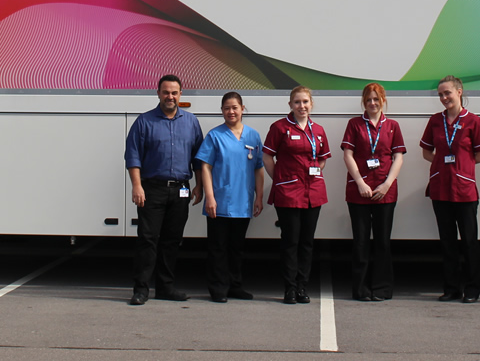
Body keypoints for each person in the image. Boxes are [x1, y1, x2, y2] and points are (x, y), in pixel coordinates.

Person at [124, 74, 204, 306]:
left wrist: (198, 185)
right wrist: (137, 186)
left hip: (180, 190)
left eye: (174, 92)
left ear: (180, 94)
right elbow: (133, 156)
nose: (170, 96)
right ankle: (141, 290)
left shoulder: (191, 122)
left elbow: (198, 158)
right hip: (152, 190)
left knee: (172, 241)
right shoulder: (144, 121)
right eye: (166, 92)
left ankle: (165, 288)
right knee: (147, 240)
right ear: (158, 93)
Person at [420, 75, 480, 303]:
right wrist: (443, 164)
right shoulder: (435, 121)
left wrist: (461, 165)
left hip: (464, 190)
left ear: (459, 92)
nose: (443, 98)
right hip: (441, 189)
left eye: (447, 93)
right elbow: (426, 152)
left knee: (469, 241)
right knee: (447, 242)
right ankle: (451, 288)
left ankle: (473, 289)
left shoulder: (473, 121)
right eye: (440, 94)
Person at [195, 91, 265, 302]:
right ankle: (218, 288)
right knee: (218, 248)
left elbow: (259, 168)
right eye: (226, 108)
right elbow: (205, 167)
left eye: (235, 107)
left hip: (243, 202)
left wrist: (259, 197)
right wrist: (209, 197)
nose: (231, 111)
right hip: (220, 202)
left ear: (242, 109)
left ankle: (235, 286)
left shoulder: (253, 136)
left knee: (237, 248)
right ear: (222, 111)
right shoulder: (215, 136)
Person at [263, 86, 330, 304]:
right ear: (290, 105)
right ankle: (290, 288)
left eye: (305, 102)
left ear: (311, 104)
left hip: (313, 192)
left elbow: (322, 158)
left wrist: (315, 170)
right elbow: (267, 157)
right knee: (290, 241)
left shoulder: (318, 130)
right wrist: (279, 179)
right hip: (288, 193)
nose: (302, 106)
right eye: (297, 102)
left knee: (307, 242)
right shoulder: (279, 127)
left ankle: (302, 287)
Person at [340, 82, 406, 301]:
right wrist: (360, 182)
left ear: (383, 100)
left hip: (385, 192)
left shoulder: (393, 126)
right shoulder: (354, 124)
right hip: (359, 192)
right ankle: (360, 289)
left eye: (376, 99)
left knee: (382, 242)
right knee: (360, 242)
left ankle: (382, 288)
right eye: (368, 99)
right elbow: (348, 154)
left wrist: (387, 184)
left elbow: (398, 157)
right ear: (363, 102)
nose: (372, 103)